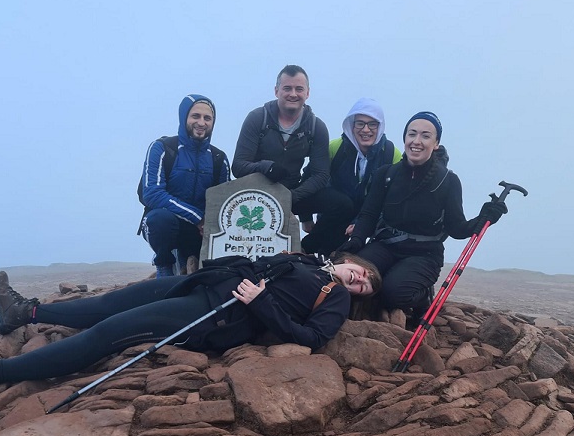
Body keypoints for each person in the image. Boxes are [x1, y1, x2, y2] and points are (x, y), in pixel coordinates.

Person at [0, 252, 381, 393]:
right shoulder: (310, 261)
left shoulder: (334, 298)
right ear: (349, 261)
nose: (360, 281)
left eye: (366, 286)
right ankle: (24, 313)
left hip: (216, 317)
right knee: (111, 303)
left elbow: (312, 339)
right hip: (204, 285)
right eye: (361, 272)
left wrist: (261, 302)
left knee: (110, 333)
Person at [334, 111, 507, 326]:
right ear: (404, 138)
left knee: (391, 294)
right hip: (385, 245)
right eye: (412, 134)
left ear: (436, 143)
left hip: (424, 254)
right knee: (349, 276)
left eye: (425, 136)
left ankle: (423, 296)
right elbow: (369, 215)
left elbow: (457, 228)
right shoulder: (386, 175)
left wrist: (485, 217)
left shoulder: (448, 181)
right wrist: (356, 242)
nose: (417, 141)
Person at [232, 65, 354, 257]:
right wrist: (265, 167)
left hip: (291, 193)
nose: (293, 94)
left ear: (307, 93)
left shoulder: (316, 127)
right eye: (287, 88)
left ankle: (307, 250)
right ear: (276, 91)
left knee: (342, 204)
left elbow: (320, 175)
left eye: (299, 89)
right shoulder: (258, 118)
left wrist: (291, 196)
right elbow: (238, 166)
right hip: (255, 194)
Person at [138, 94, 230, 277]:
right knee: (159, 220)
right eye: (195, 116)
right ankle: (164, 269)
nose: (201, 123)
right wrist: (197, 217)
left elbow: (225, 201)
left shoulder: (219, 158)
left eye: (207, 118)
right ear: (184, 117)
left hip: (199, 231)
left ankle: (191, 263)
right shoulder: (162, 148)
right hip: (168, 224)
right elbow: (152, 194)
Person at [299, 97, 401, 239]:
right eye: (360, 123)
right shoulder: (335, 148)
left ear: (380, 126)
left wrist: (361, 224)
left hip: (372, 221)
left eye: (372, 124)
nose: (366, 130)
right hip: (336, 217)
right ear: (351, 125)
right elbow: (309, 178)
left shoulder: (391, 154)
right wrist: (305, 218)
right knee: (329, 256)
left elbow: (394, 198)